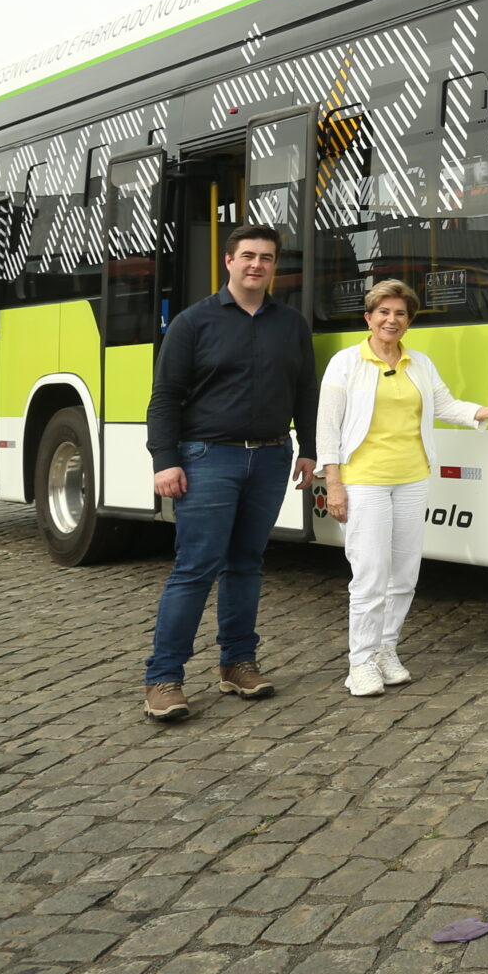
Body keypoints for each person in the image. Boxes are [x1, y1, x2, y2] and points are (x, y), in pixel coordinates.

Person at [141, 224, 320, 722]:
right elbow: (164, 398)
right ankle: (163, 678)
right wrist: (165, 460)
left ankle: (237, 664)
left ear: (274, 266)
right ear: (229, 262)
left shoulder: (291, 324)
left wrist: (309, 449)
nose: (256, 265)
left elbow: (306, 391)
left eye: (265, 258)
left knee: (247, 564)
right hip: (206, 458)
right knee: (195, 568)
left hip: (270, 457)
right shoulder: (193, 323)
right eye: (247, 256)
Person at [315, 280, 488, 696]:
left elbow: (446, 405)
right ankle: (359, 662)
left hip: (412, 477)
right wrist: (334, 485)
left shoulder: (419, 364)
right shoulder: (345, 363)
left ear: (409, 322)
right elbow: (328, 428)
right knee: (370, 575)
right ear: (368, 318)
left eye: (400, 314)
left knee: (404, 574)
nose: (391, 320)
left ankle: (385, 650)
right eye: (383, 312)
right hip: (365, 481)